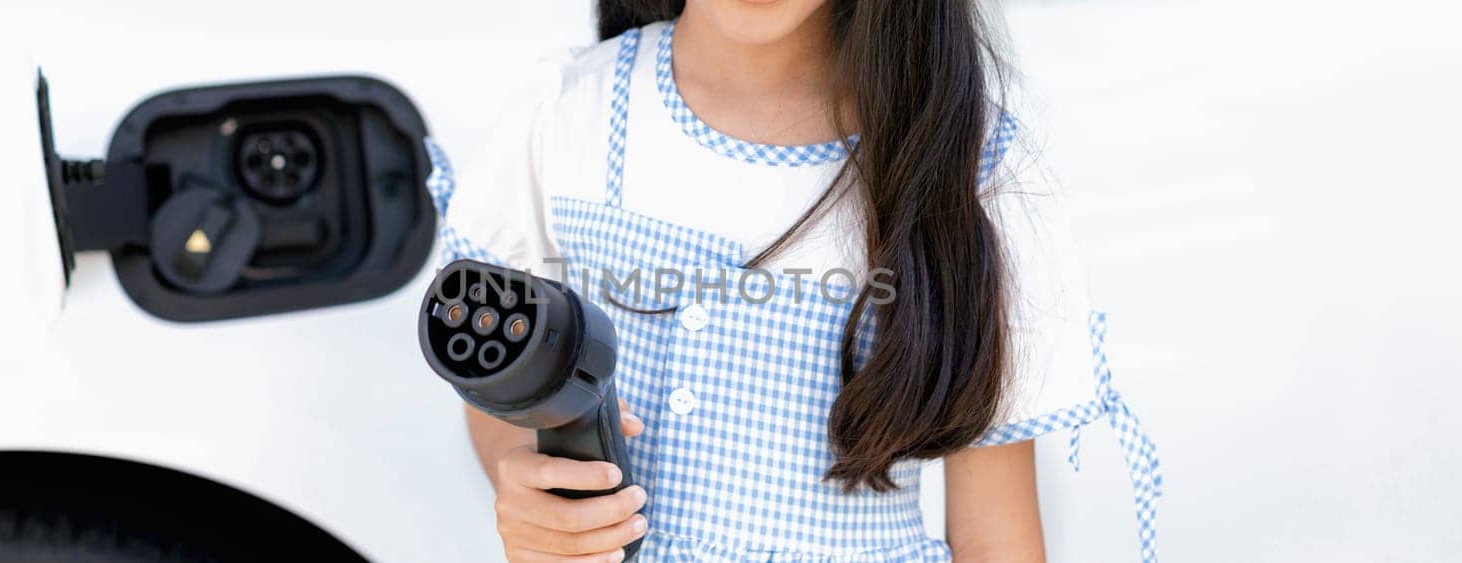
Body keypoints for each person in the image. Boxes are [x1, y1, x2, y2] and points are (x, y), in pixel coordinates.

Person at [426, 1, 1162, 561]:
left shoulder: (972, 174)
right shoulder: (567, 109)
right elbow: (498, 383)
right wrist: (530, 491)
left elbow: (995, 530)